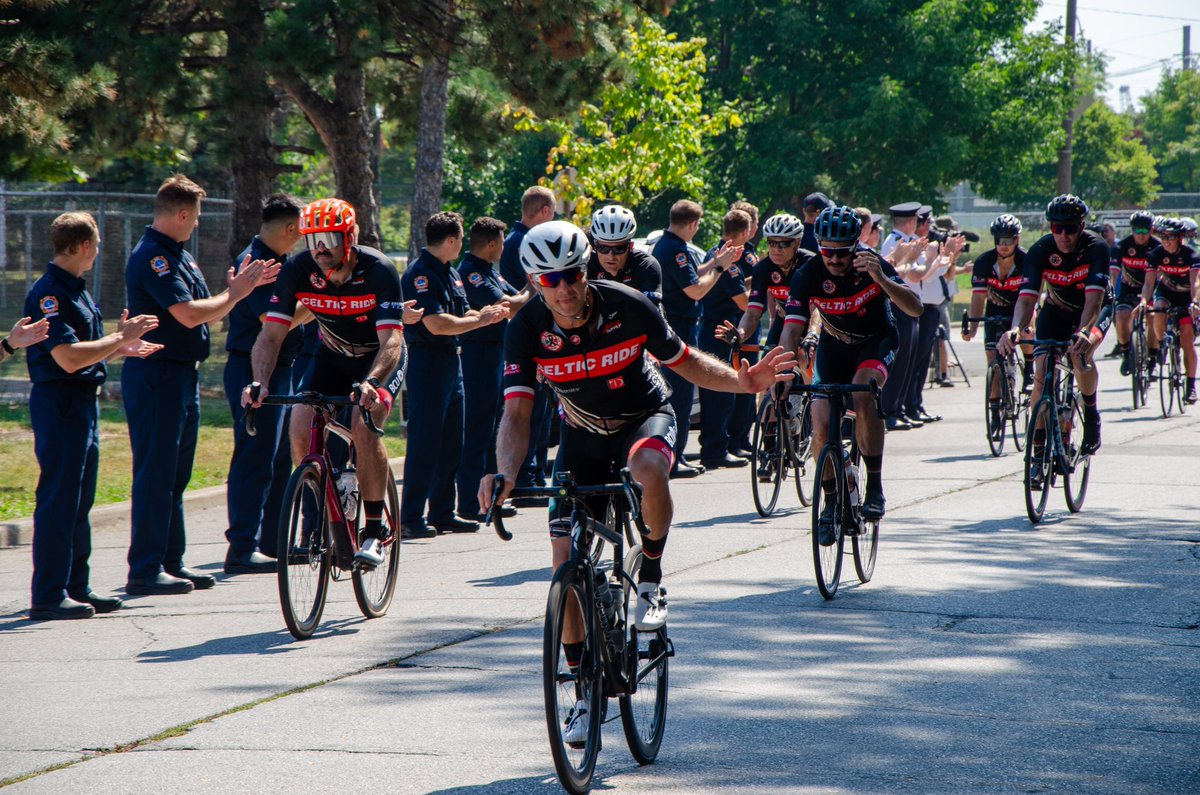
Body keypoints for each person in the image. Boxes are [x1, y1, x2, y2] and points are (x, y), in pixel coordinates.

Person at [479, 220, 795, 741]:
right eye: (549, 280)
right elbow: (516, 413)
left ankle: (649, 576)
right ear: (534, 283)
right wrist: (505, 473)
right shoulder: (528, 327)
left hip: (644, 416)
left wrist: (742, 382)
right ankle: (583, 690)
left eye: (573, 274)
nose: (565, 288)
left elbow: (684, 360)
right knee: (564, 562)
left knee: (648, 467)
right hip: (581, 436)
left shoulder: (627, 304)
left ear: (587, 269)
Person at [124, 175, 280, 596]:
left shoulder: (179, 257)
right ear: (180, 214)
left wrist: (233, 294)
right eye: (193, 218)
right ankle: (145, 567)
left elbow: (204, 307)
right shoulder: (154, 258)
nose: (195, 225)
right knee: (156, 472)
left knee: (176, 474)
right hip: (157, 375)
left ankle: (170, 561)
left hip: (181, 374)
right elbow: (190, 314)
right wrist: (236, 295)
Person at [245, 198, 413, 567]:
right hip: (333, 357)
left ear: (349, 237)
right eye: (312, 238)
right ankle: (326, 509)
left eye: (328, 238)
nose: (319, 247)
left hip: (378, 361)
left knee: (364, 425)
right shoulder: (299, 270)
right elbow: (271, 335)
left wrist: (370, 382)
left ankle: (373, 530)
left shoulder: (379, 270)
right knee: (300, 428)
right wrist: (259, 382)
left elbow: (392, 342)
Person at [25, 212, 155, 619]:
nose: (98, 252)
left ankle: (75, 586)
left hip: (83, 402)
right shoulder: (50, 294)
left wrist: (119, 349)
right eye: (96, 245)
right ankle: (49, 594)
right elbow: (66, 358)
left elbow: (85, 350)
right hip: (60, 403)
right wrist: (119, 337)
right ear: (83, 246)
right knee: (59, 498)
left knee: (80, 500)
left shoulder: (76, 291)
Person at [779, 205, 923, 536]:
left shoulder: (872, 264)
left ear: (855, 246)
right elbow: (791, 331)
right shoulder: (809, 273)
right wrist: (785, 372)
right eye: (826, 252)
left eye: (841, 253)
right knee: (820, 424)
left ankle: (874, 485)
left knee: (863, 393)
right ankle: (831, 503)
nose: (833, 259)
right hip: (835, 346)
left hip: (876, 342)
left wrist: (881, 279)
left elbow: (914, 308)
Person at [400, 211, 510, 538]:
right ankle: (410, 517)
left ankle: (443, 512)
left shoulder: (450, 274)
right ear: (450, 240)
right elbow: (437, 323)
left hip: (452, 361)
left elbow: (462, 313)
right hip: (429, 362)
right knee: (425, 443)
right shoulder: (420, 276)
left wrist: (486, 314)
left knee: (452, 443)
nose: (462, 245)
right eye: (460, 239)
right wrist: (482, 321)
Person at [998, 194, 1108, 483]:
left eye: (1070, 228)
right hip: (1056, 311)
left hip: (1093, 311)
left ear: (1081, 226)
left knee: (1079, 354)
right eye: (1056, 228)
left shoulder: (1096, 247)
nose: (1063, 235)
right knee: (1042, 370)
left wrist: (1084, 331)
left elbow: (1095, 299)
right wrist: (1014, 329)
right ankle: (1036, 455)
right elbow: (1026, 300)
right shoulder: (1040, 251)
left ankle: (1092, 414)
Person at [222, 194, 304, 574]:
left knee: (278, 458)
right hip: (253, 368)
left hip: (282, 366)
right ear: (290, 228)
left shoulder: (281, 262)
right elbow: (275, 320)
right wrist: (322, 302)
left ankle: (272, 542)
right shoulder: (256, 265)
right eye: (302, 229)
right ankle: (242, 546)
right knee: (254, 457)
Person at [650, 199, 744, 478]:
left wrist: (716, 262)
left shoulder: (671, 247)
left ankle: (676, 456)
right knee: (678, 396)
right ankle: (673, 458)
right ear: (692, 224)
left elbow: (692, 276)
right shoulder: (674, 250)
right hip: (678, 326)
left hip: (681, 325)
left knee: (681, 395)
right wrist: (719, 269)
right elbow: (694, 291)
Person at [456, 216, 528, 522]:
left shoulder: (489, 272)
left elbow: (516, 297)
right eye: (499, 242)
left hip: (495, 354)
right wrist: (530, 289)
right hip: (477, 356)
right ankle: (470, 502)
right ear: (491, 244)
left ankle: (489, 498)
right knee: (477, 430)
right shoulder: (471, 273)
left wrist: (527, 290)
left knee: (491, 430)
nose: (501, 246)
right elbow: (509, 306)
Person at [500, 186, 557, 498]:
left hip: (531, 329)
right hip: (530, 331)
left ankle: (533, 473)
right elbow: (534, 289)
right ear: (545, 211)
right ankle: (528, 476)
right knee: (532, 410)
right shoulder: (527, 243)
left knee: (540, 410)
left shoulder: (515, 240)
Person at [963, 214, 1034, 437]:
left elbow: (1032, 298)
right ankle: (995, 412)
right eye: (999, 241)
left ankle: (1030, 367)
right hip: (995, 311)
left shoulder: (1027, 261)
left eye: (1008, 241)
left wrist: (1026, 324)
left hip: (1021, 308)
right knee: (993, 360)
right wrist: (973, 328)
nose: (1003, 246)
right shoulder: (984, 262)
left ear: (1017, 240)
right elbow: (978, 297)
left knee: (1027, 332)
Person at [697, 209, 755, 470]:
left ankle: (721, 446)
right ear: (744, 232)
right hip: (719, 332)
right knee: (719, 396)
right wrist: (759, 292)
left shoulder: (718, 253)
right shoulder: (727, 260)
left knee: (726, 395)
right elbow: (742, 301)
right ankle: (714, 450)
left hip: (720, 331)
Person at [879, 202, 931, 431]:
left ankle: (897, 408)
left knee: (907, 364)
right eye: (915, 220)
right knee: (899, 363)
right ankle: (889, 410)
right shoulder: (896, 242)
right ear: (909, 221)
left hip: (910, 307)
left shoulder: (907, 241)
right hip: (900, 307)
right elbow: (907, 272)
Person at [1141, 218, 1199, 403]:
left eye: (1170, 237)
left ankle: (1190, 386)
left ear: (1179, 238)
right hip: (1165, 292)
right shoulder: (1156, 254)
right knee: (1158, 310)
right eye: (1163, 236)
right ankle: (1161, 345)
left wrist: (1195, 302)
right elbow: (1149, 282)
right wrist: (1143, 301)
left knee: (1187, 338)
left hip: (1185, 296)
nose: (1166, 240)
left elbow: (1196, 282)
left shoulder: (1191, 255)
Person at [1111, 210, 1160, 376]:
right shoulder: (1122, 247)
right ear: (1132, 230)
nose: (1141, 235)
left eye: (1145, 231)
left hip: (1152, 288)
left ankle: (1152, 359)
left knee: (1153, 318)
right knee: (1121, 318)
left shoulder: (1157, 247)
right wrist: (1110, 291)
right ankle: (1126, 354)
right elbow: (1114, 272)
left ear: (1151, 230)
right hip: (1129, 289)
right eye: (1137, 231)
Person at [586, 204, 662, 306]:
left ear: (630, 246)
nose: (610, 256)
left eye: (619, 249)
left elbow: (649, 314)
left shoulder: (646, 265)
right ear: (595, 246)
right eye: (603, 248)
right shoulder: (588, 265)